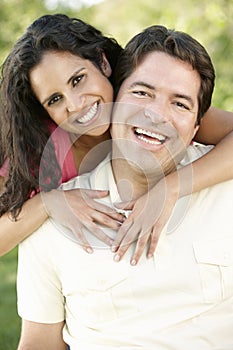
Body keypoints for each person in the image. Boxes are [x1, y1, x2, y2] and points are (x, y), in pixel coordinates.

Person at [16, 25, 233, 349]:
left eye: (180, 104)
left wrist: (169, 189)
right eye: (142, 93)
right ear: (116, 98)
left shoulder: (225, 189)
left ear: (196, 128)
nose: (155, 113)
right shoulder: (54, 218)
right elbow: (39, 342)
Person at [0, 14, 233, 265]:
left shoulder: (147, 102)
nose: (76, 105)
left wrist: (171, 188)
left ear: (102, 62)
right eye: (55, 99)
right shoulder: (38, 148)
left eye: (78, 80)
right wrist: (47, 202)